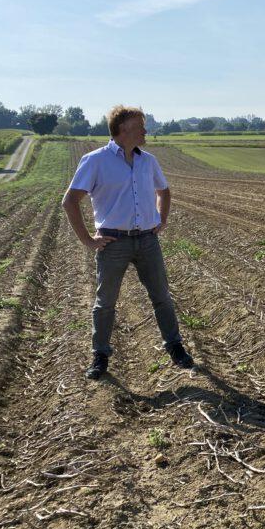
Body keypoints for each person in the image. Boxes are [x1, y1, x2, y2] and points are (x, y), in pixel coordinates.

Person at [61, 106, 194, 379]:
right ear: (123, 129)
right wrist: (87, 240)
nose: (145, 131)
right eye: (141, 126)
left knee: (162, 297)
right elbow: (70, 201)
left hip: (147, 240)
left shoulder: (148, 161)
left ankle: (175, 347)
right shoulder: (95, 161)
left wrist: (161, 219)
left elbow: (164, 191)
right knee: (106, 302)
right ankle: (99, 356)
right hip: (114, 242)